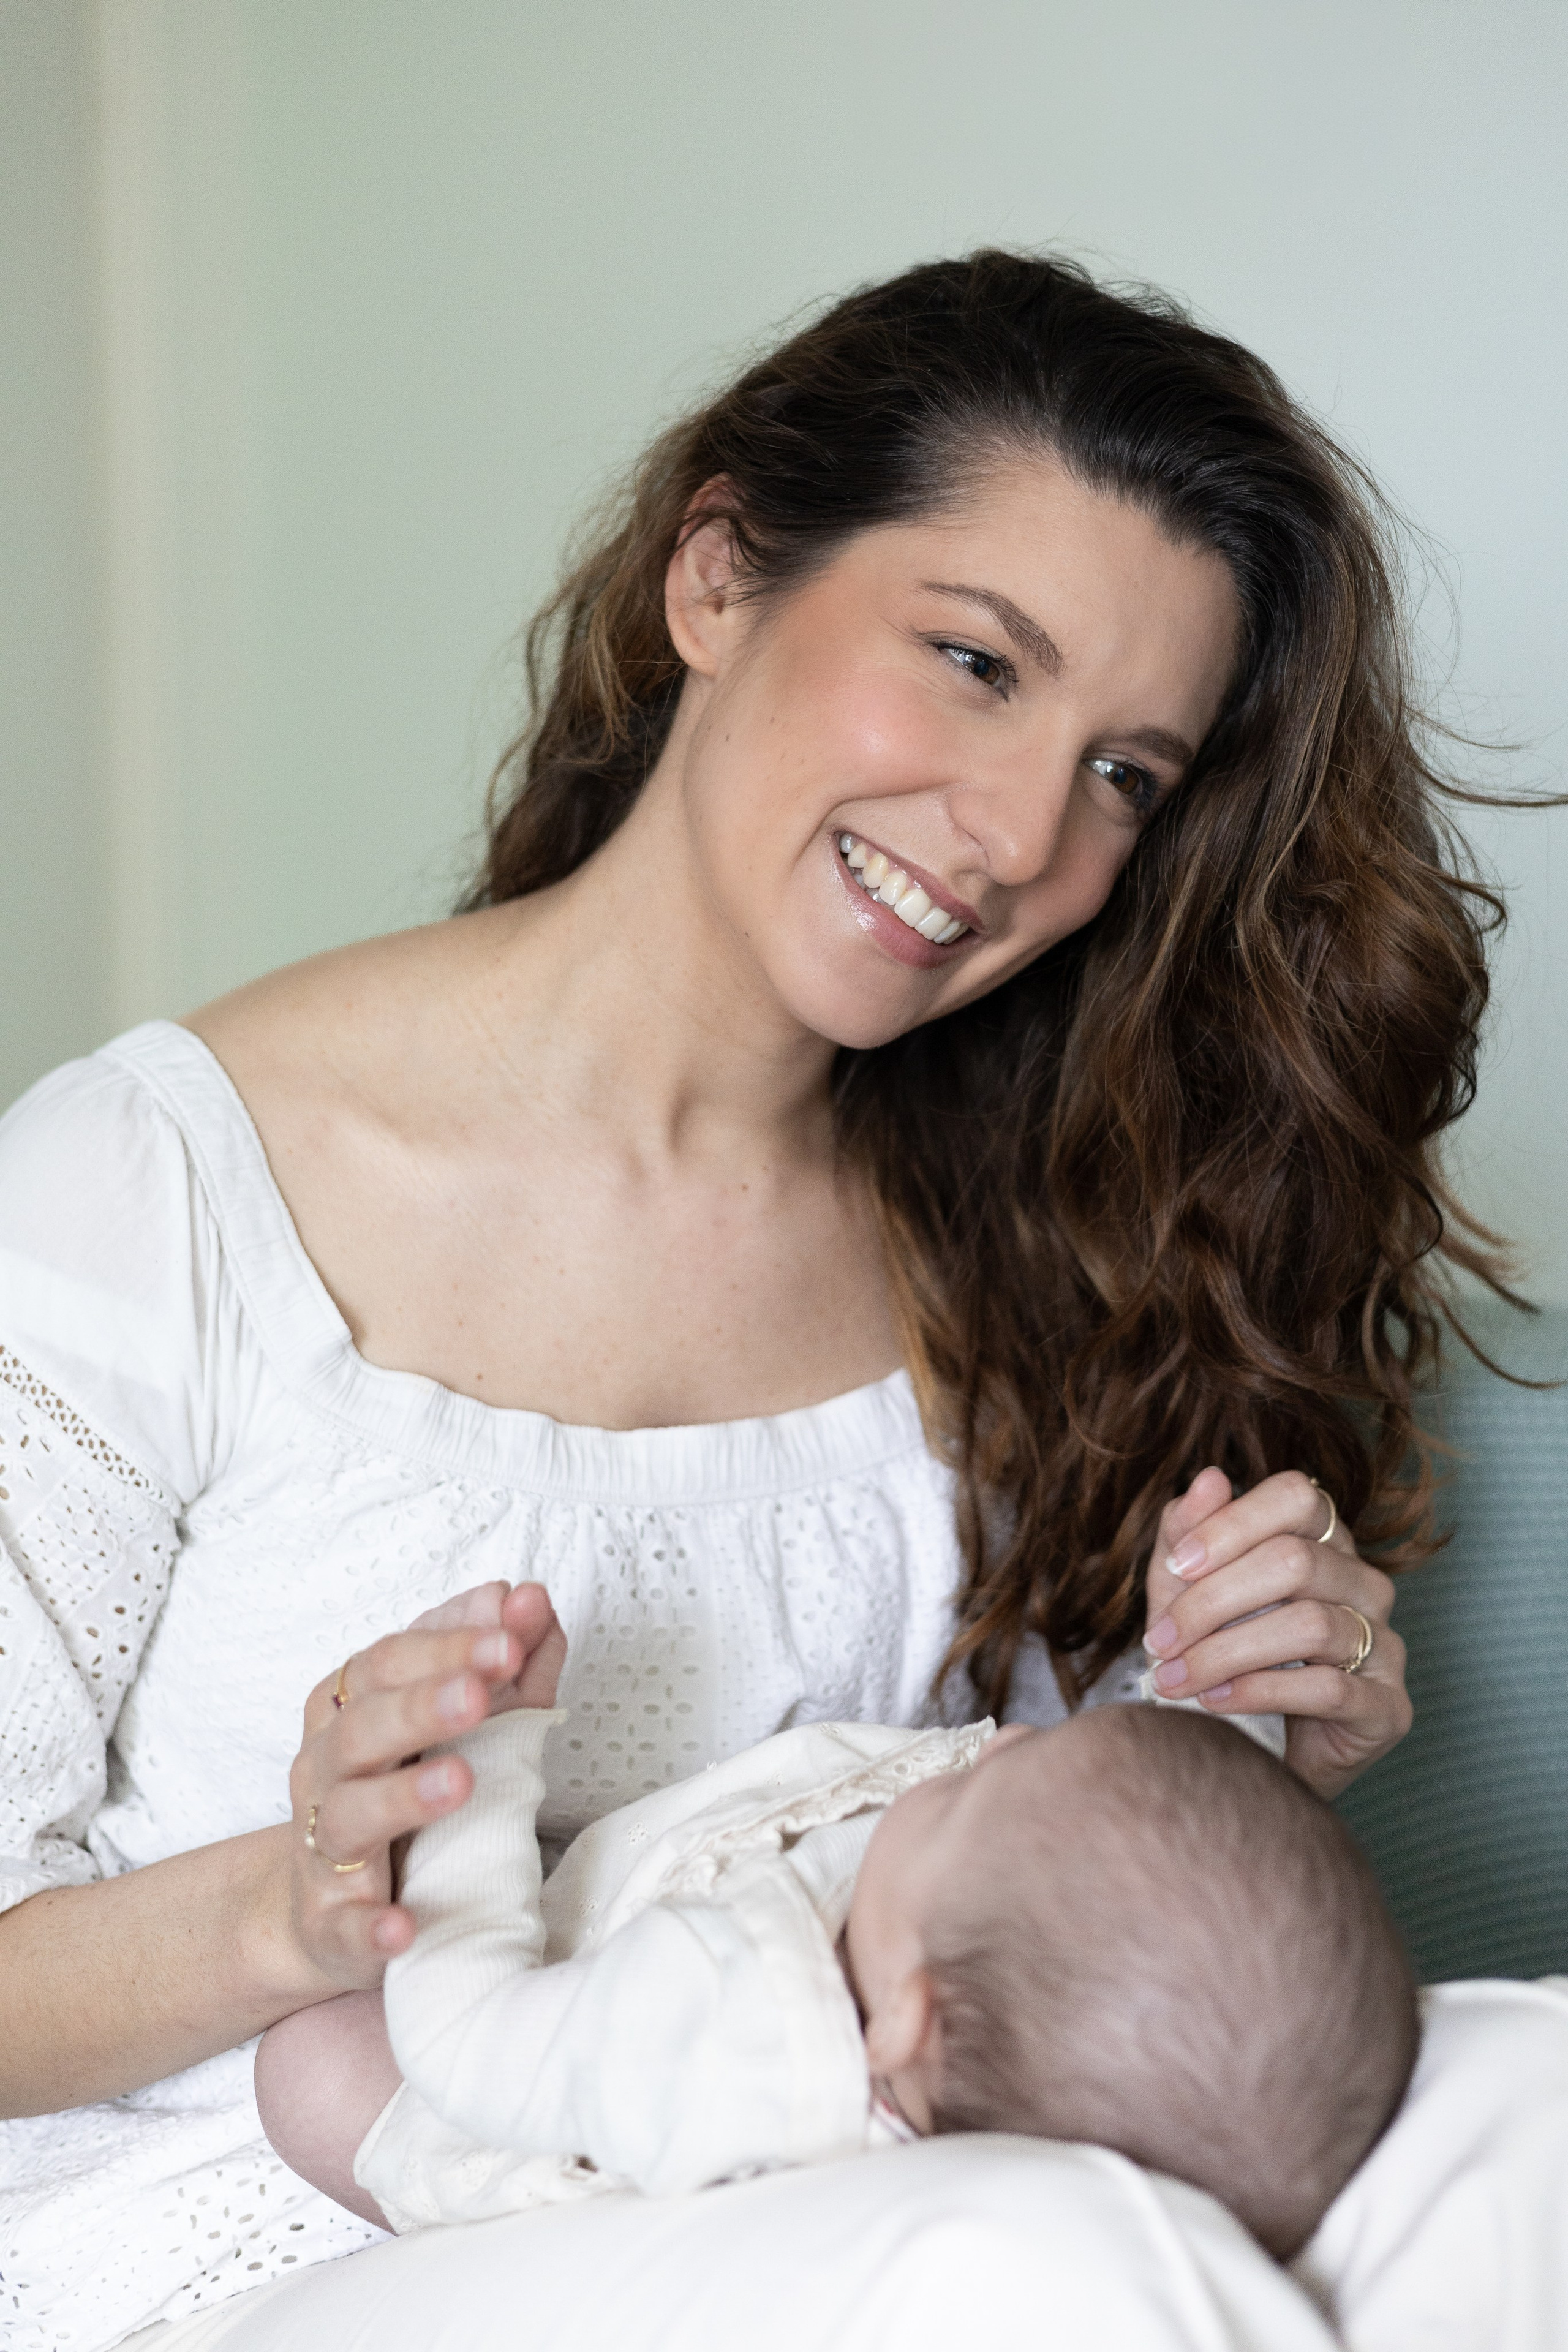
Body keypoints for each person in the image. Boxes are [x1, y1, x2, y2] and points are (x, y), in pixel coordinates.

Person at [0, 249, 1539, 2351]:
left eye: (1126, 776)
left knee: (1528, 2111)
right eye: (981, 664)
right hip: (262, 2237)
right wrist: (300, 1898)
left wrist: (1245, 1727)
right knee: (1053, 2275)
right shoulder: (151, 1190)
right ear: (717, 579)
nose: (1019, 837)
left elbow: (962, 1946)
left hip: (793, 2212)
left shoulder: (1016, 1245)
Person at [254, 1587, 1418, 2264]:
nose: (1001, 1743)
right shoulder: (1012, 2071)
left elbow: (469, 2038)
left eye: (971, 1792)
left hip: (537, 2104)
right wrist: (1230, 1713)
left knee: (311, 2069)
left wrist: (481, 1767)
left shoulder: (739, 2025)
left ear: (899, 2012)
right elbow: (1154, 1907)